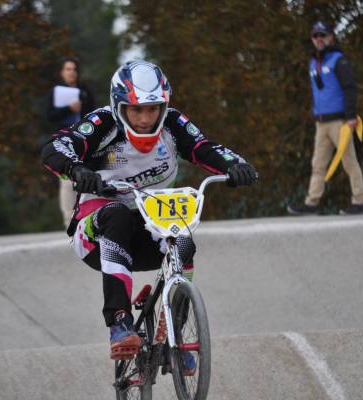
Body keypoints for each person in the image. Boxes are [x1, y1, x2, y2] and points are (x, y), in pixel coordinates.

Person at [42, 60, 257, 366]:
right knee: (117, 213)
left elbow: (203, 148)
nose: (145, 119)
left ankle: (172, 335)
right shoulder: (103, 124)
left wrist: (235, 165)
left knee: (184, 241)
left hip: (148, 224)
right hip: (95, 235)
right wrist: (76, 168)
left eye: (153, 109)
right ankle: (119, 323)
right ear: (119, 107)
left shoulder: (172, 123)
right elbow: (55, 146)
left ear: (163, 106)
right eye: (136, 110)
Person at [287, 21, 363, 216]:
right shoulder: (313, 62)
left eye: (323, 35)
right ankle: (311, 202)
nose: (319, 39)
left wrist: (350, 116)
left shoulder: (339, 60)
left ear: (331, 37)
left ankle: (360, 200)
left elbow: (350, 88)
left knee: (349, 162)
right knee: (318, 164)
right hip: (321, 123)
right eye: (315, 35)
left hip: (340, 122)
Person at [46, 56, 95, 227]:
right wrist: (69, 109)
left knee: (87, 177)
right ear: (62, 72)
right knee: (67, 181)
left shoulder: (85, 91)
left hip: (84, 140)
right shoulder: (55, 92)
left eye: (74, 69)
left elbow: (93, 115)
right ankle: (69, 221)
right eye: (68, 69)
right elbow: (50, 116)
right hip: (64, 140)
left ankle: (88, 218)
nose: (71, 72)